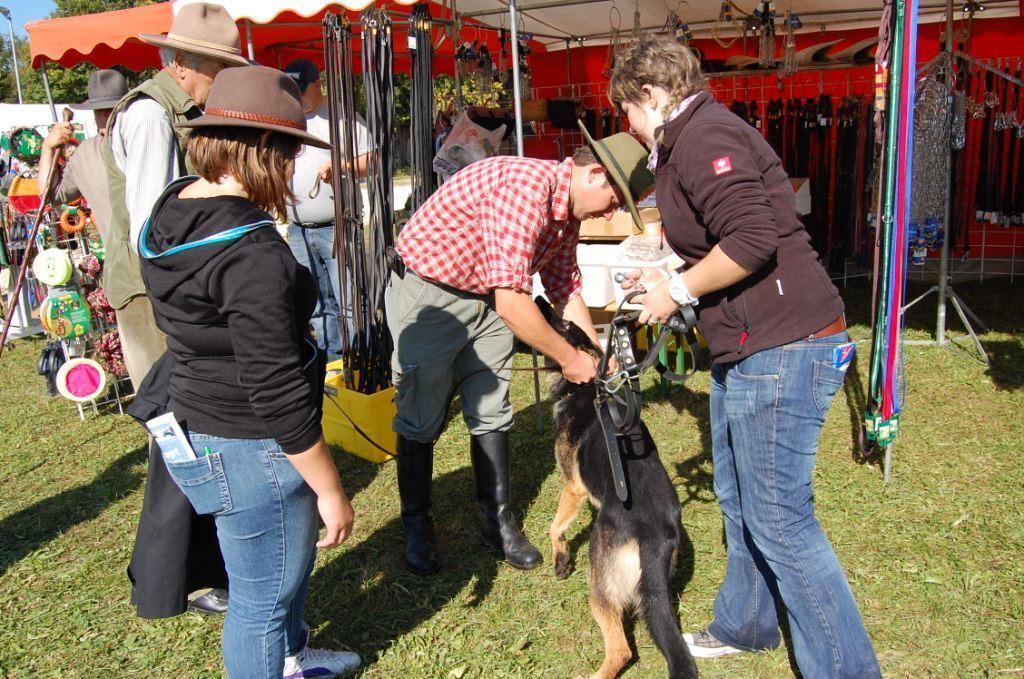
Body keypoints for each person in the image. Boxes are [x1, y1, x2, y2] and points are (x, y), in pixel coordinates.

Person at [608, 36, 882, 678]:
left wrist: (676, 289)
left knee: (781, 519)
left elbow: (754, 239)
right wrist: (668, 271)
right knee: (738, 494)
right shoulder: (689, 140)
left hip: (784, 344)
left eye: (626, 109)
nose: (625, 125)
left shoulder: (704, 137)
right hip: (750, 343)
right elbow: (718, 235)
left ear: (650, 95)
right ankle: (749, 622)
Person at [137, 64, 360, 679]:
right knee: (260, 599)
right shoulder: (252, 252)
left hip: (199, 416)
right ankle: (275, 655)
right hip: (252, 443)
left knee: (272, 577)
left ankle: (292, 657)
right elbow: (276, 388)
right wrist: (330, 489)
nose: (293, 168)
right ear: (263, 151)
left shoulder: (173, 208)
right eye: (289, 152)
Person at [389, 132, 653, 575]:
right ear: (594, 174)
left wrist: (593, 348)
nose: (613, 212)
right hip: (431, 295)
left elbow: (563, 287)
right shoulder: (523, 191)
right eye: (614, 200)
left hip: (490, 294)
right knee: (421, 412)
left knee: (492, 410)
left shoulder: (567, 209)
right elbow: (514, 303)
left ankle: (497, 519)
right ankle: (416, 524)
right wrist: (569, 360)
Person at [103, 2, 249, 619]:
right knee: (181, 445)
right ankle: (169, 576)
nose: (222, 78)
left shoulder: (183, 110)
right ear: (184, 63)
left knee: (195, 442)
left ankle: (195, 567)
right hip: (162, 298)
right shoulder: (150, 116)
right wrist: (195, 306)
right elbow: (151, 231)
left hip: (180, 296)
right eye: (217, 66)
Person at [281, 59, 373, 362]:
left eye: (301, 91)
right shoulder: (287, 118)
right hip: (299, 229)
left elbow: (371, 160)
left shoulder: (343, 119)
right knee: (317, 305)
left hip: (338, 226)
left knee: (348, 302)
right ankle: (332, 363)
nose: (296, 98)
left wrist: (343, 166)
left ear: (317, 85)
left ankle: (358, 359)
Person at [38, 69, 127, 246]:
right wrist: (47, 148)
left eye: (110, 108)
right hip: (118, 260)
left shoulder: (146, 140)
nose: (103, 115)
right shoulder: (85, 153)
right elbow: (49, 195)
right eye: (98, 109)